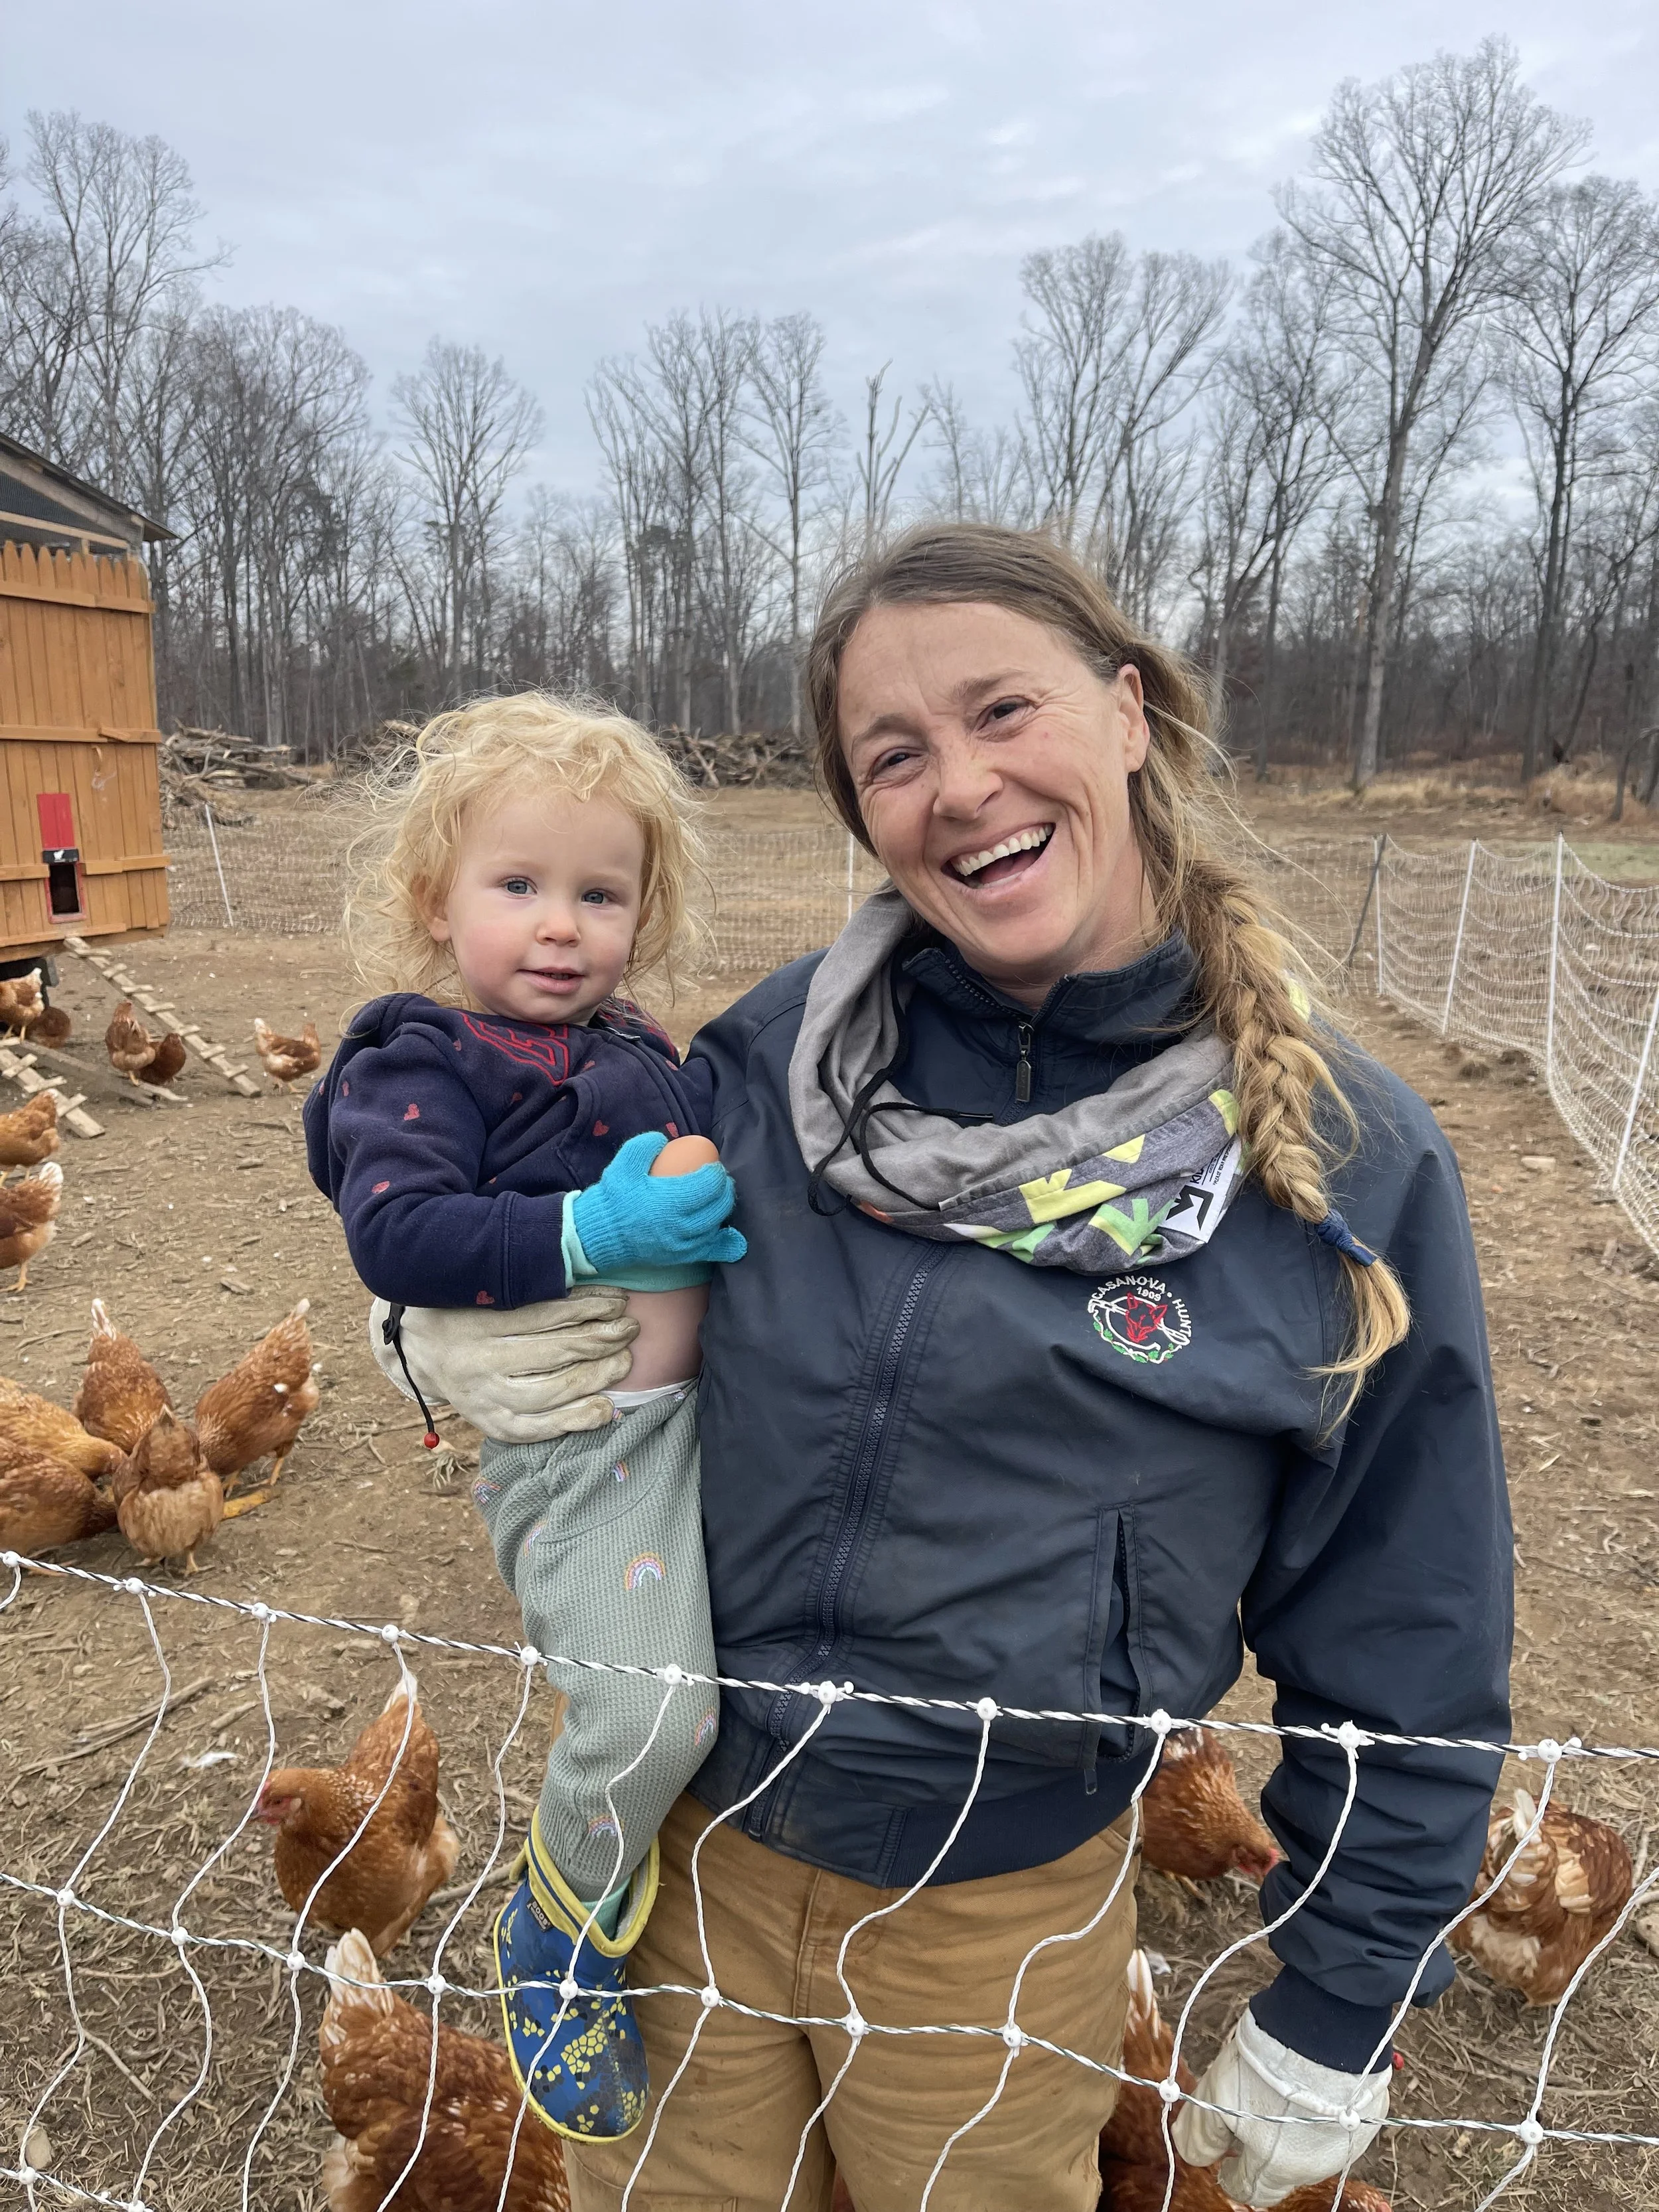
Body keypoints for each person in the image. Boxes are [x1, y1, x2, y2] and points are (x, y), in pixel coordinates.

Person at [370, 526, 1511, 2212]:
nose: (959, 785)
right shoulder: (764, 1058)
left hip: (995, 1908)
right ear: (861, 812)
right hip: (694, 1851)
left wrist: (1346, 1997)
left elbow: (1406, 1604)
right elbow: (539, 1221)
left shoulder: (1338, 1165)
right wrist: (437, 1330)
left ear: (1126, 712)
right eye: (893, 755)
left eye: (1002, 710)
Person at [305, 694, 745, 2143]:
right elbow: (399, 1233)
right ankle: (557, 1933)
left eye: (599, 893)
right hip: (582, 1441)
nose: (562, 926)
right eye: (519, 885)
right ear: (435, 902)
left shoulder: (640, 1042)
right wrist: (586, 1230)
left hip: (711, 1419)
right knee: (646, 1703)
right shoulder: (419, 1057)